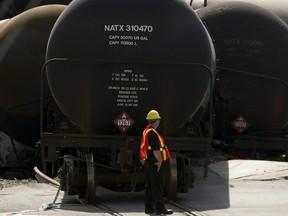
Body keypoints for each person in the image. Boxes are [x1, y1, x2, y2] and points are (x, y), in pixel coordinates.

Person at [140, 110, 173, 215]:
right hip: (155, 162)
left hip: (149, 161)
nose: (159, 122)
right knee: (157, 186)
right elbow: (156, 150)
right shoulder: (153, 133)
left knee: (149, 186)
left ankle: (149, 208)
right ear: (156, 121)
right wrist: (159, 161)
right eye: (158, 120)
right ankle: (160, 208)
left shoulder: (146, 131)